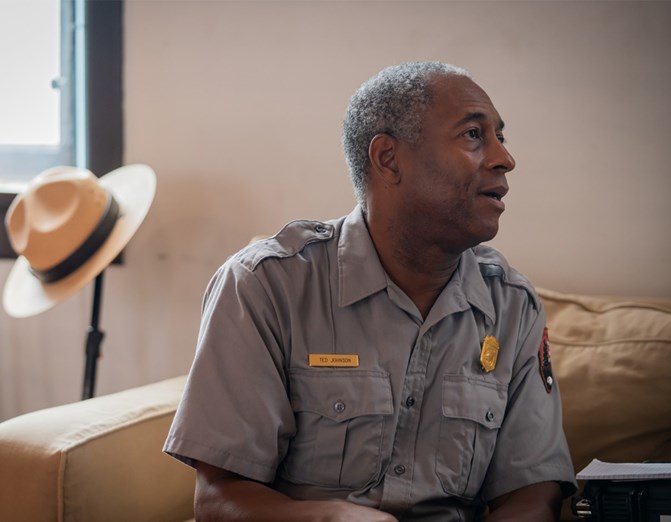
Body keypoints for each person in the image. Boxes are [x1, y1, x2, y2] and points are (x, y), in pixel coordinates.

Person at [164, 61, 576, 521]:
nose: (504, 158)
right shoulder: (265, 286)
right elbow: (219, 498)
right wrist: (333, 518)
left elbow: (532, 491)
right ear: (388, 159)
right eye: (474, 136)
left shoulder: (512, 306)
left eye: (501, 136)